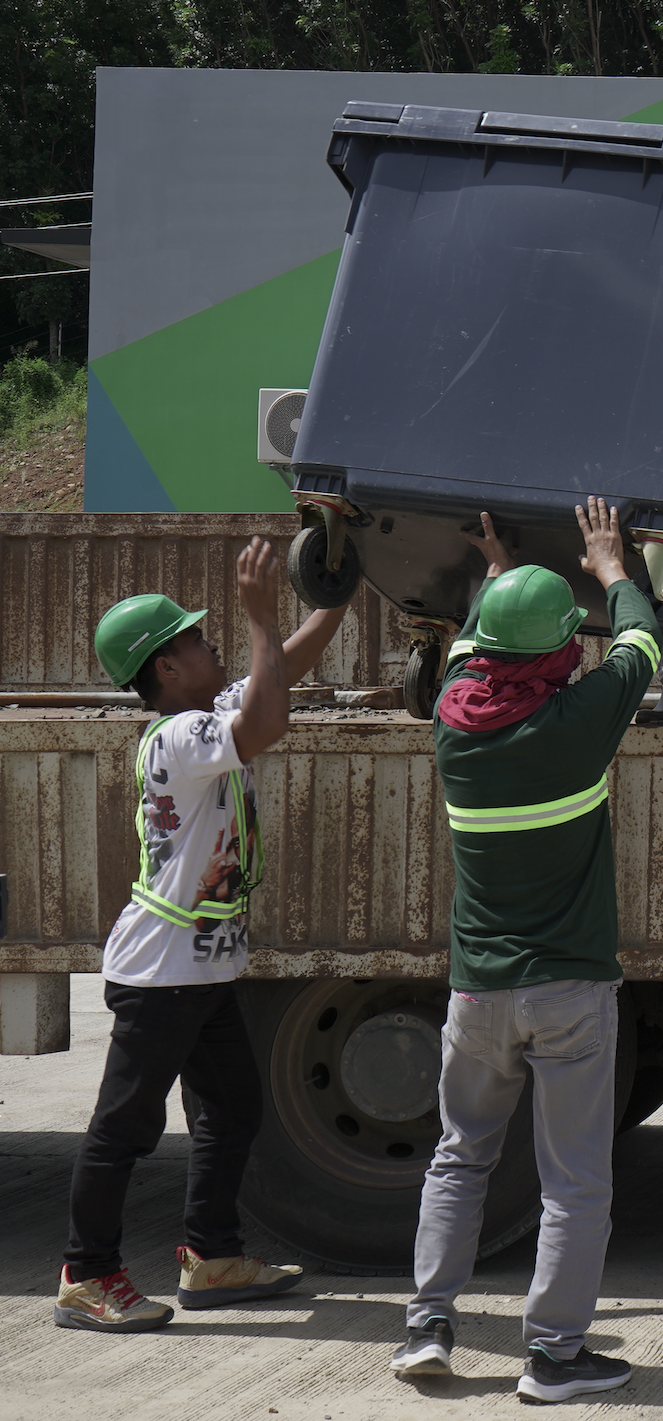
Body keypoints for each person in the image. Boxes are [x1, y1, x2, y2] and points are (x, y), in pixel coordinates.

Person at [393, 499, 660, 1405]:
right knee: (573, 1182)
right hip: (570, 995)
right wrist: (611, 565)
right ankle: (553, 1356)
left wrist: (500, 573)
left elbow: (480, 652)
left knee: (459, 1156)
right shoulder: (576, 730)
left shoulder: (450, 729)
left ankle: (428, 1329)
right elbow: (641, 649)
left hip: (477, 999)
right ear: (553, 656)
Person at [59, 538, 350, 1332]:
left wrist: (339, 592)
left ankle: (212, 1259)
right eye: (192, 639)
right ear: (165, 669)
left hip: (202, 969)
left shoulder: (202, 716)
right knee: (124, 1128)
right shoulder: (178, 739)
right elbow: (268, 716)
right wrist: (259, 615)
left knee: (233, 1111)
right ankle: (87, 1275)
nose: (209, 641)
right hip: (161, 972)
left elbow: (277, 672)